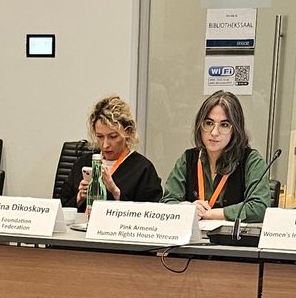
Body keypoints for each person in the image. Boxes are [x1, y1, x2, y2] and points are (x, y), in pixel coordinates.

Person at [162, 91, 274, 225]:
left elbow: (260, 208)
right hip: (190, 241)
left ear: (235, 130)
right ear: (200, 125)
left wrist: (210, 214)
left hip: (232, 243)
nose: (214, 133)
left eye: (224, 125)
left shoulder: (251, 160)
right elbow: (167, 203)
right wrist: (185, 208)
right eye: (209, 123)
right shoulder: (189, 158)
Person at [57, 95, 163, 210]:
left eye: (113, 136)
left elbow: (151, 215)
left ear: (128, 132)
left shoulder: (143, 169)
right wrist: (79, 198)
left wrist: (115, 192)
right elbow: (61, 209)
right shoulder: (84, 162)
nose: (105, 144)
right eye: (100, 137)